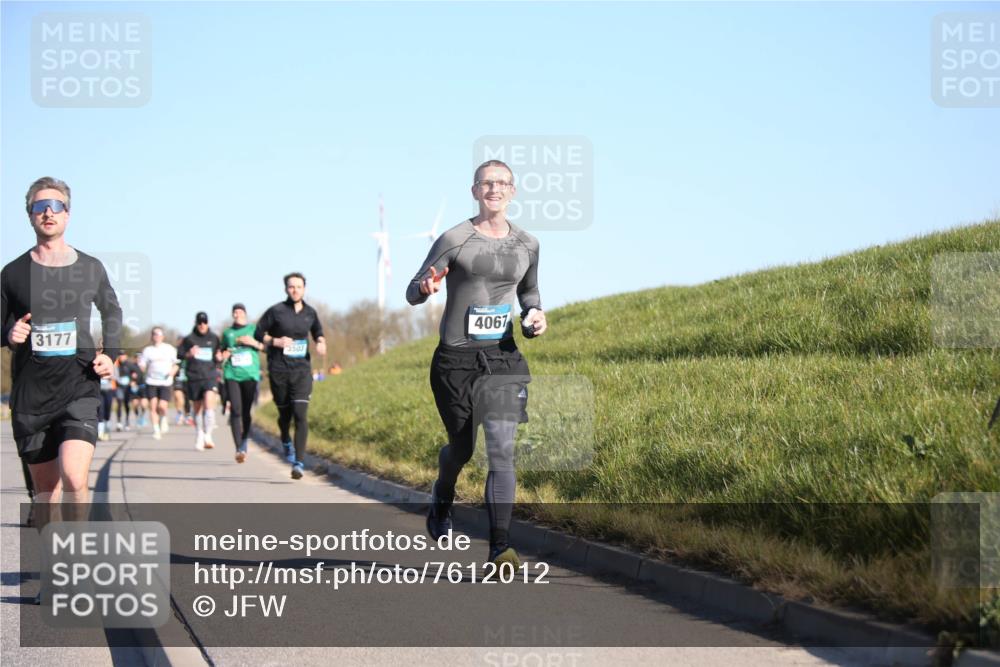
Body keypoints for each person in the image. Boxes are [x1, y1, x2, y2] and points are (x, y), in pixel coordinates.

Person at [405, 160, 547, 569]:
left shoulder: (528, 244)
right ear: (475, 191)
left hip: (502, 358)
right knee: (462, 448)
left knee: (501, 450)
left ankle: (500, 548)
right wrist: (425, 287)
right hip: (456, 362)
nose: (494, 189)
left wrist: (535, 316)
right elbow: (413, 290)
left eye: (502, 183)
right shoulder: (455, 238)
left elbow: (531, 294)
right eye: (487, 183)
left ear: (513, 191)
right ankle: (442, 494)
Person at [1, 176, 122, 524]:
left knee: (75, 478)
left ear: (68, 214)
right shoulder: (12, 274)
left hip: (79, 387)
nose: (48, 212)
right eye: (40, 206)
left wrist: (109, 354)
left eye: (56, 206)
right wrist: (10, 332)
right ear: (30, 215)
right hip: (32, 397)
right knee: (46, 498)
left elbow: (112, 310)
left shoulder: (90, 267)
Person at [254, 273, 326, 479]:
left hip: (302, 370)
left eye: (299, 287)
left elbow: (318, 332)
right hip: (279, 369)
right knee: (285, 415)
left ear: (305, 289)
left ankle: (299, 462)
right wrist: (274, 341)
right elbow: (258, 334)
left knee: (300, 414)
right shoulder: (276, 311)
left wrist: (321, 342)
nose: (295, 290)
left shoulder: (310, 313)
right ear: (286, 289)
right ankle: (285, 438)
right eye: (291, 287)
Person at [221, 303, 264, 463]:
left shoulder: (254, 330)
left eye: (240, 311)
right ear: (232, 315)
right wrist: (222, 355)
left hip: (250, 375)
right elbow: (220, 351)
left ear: (245, 314)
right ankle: (239, 448)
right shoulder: (227, 333)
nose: (237, 314)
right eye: (235, 312)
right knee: (236, 410)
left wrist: (252, 342)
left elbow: (264, 347)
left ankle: (244, 441)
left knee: (246, 412)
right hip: (232, 374)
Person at [178, 312, 222, 450]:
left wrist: (219, 357)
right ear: (196, 323)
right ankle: (199, 434)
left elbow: (217, 355)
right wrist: (188, 354)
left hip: (209, 376)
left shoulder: (214, 338)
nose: (202, 325)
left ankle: (208, 434)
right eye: (200, 322)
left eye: (204, 322)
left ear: (208, 323)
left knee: (209, 405)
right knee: (197, 409)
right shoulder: (189, 339)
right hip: (194, 377)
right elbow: (179, 354)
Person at [138, 327, 178, 440]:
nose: (157, 336)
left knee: (162, 406)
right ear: (152, 336)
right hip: (151, 381)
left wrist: (172, 372)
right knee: (153, 406)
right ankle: (156, 430)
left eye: (159, 334)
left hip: (165, 382)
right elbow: (142, 365)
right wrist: (141, 366)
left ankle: (163, 417)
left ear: (163, 336)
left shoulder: (169, 349)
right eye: (154, 334)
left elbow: (176, 364)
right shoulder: (147, 350)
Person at [114, 351, 136, 430]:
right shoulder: (116, 364)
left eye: (123, 356)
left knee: (126, 404)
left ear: (126, 356)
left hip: (128, 387)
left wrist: (133, 379)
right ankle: (119, 422)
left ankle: (127, 421)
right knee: (119, 402)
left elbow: (136, 373)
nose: (121, 357)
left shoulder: (129, 365)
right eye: (120, 356)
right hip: (119, 387)